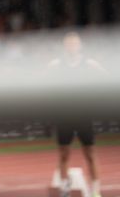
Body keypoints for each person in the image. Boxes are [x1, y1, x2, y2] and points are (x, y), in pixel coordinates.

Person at [46, 32, 107, 197]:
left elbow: (105, 78)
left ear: (80, 46)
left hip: (83, 114)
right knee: (63, 153)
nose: (72, 46)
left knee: (90, 153)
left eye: (75, 43)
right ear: (64, 46)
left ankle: (96, 190)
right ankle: (65, 189)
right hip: (64, 115)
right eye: (69, 43)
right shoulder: (56, 64)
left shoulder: (89, 64)